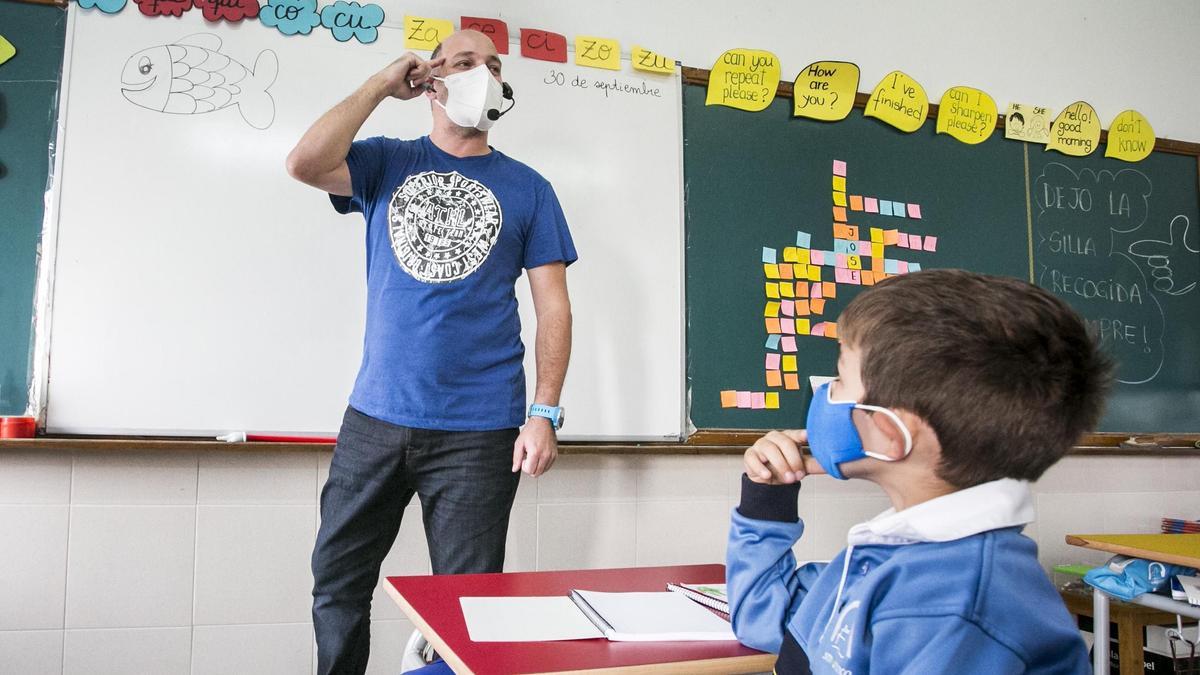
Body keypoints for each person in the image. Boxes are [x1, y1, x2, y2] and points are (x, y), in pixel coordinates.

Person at [286, 29, 577, 675]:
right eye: (467, 63)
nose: (486, 75)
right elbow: (304, 163)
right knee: (337, 583)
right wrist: (377, 87)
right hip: (376, 415)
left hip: (481, 427)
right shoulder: (387, 159)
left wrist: (544, 412)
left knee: (467, 605)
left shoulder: (529, 187)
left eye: (494, 67)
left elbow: (552, 306)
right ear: (430, 79)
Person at [727, 269, 1110, 674]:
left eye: (840, 379)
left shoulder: (953, 607)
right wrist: (767, 495)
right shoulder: (891, 553)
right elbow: (766, 620)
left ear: (891, 433)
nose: (824, 394)